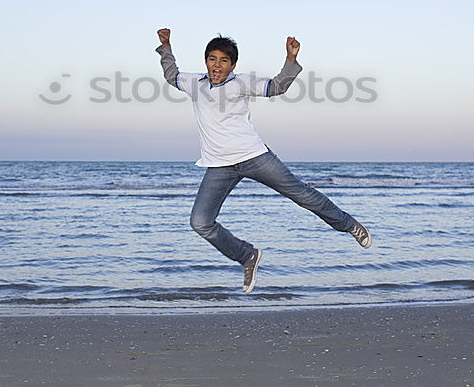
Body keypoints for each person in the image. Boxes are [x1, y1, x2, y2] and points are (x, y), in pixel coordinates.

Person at [155, 28, 371, 294]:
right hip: (219, 165)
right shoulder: (195, 84)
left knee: (301, 194)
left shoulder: (241, 82)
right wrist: (166, 46)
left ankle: (349, 225)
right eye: (212, 59)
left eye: (224, 60)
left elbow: (277, 87)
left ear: (232, 65)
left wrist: (290, 60)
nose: (217, 65)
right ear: (206, 61)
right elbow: (171, 75)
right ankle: (247, 256)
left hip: (254, 156)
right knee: (200, 222)